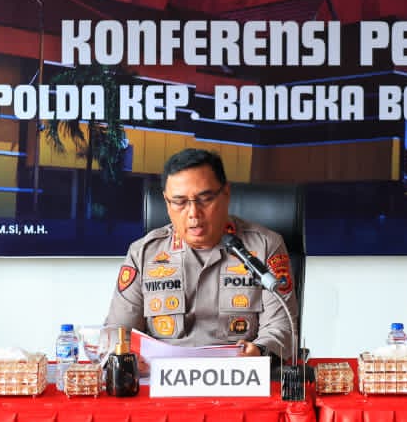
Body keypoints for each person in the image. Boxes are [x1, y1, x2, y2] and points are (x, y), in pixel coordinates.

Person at [105, 148, 297, 359]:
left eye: (204, 199)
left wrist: (260, 351)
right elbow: (117, 329)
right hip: (162, 380)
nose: (194, 214)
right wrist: (126, 356)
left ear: (226, 194)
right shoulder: (143, 253)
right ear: (167, 203)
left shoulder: (264, 246)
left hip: (239, 377)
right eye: (179, 202)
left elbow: (282, 328)